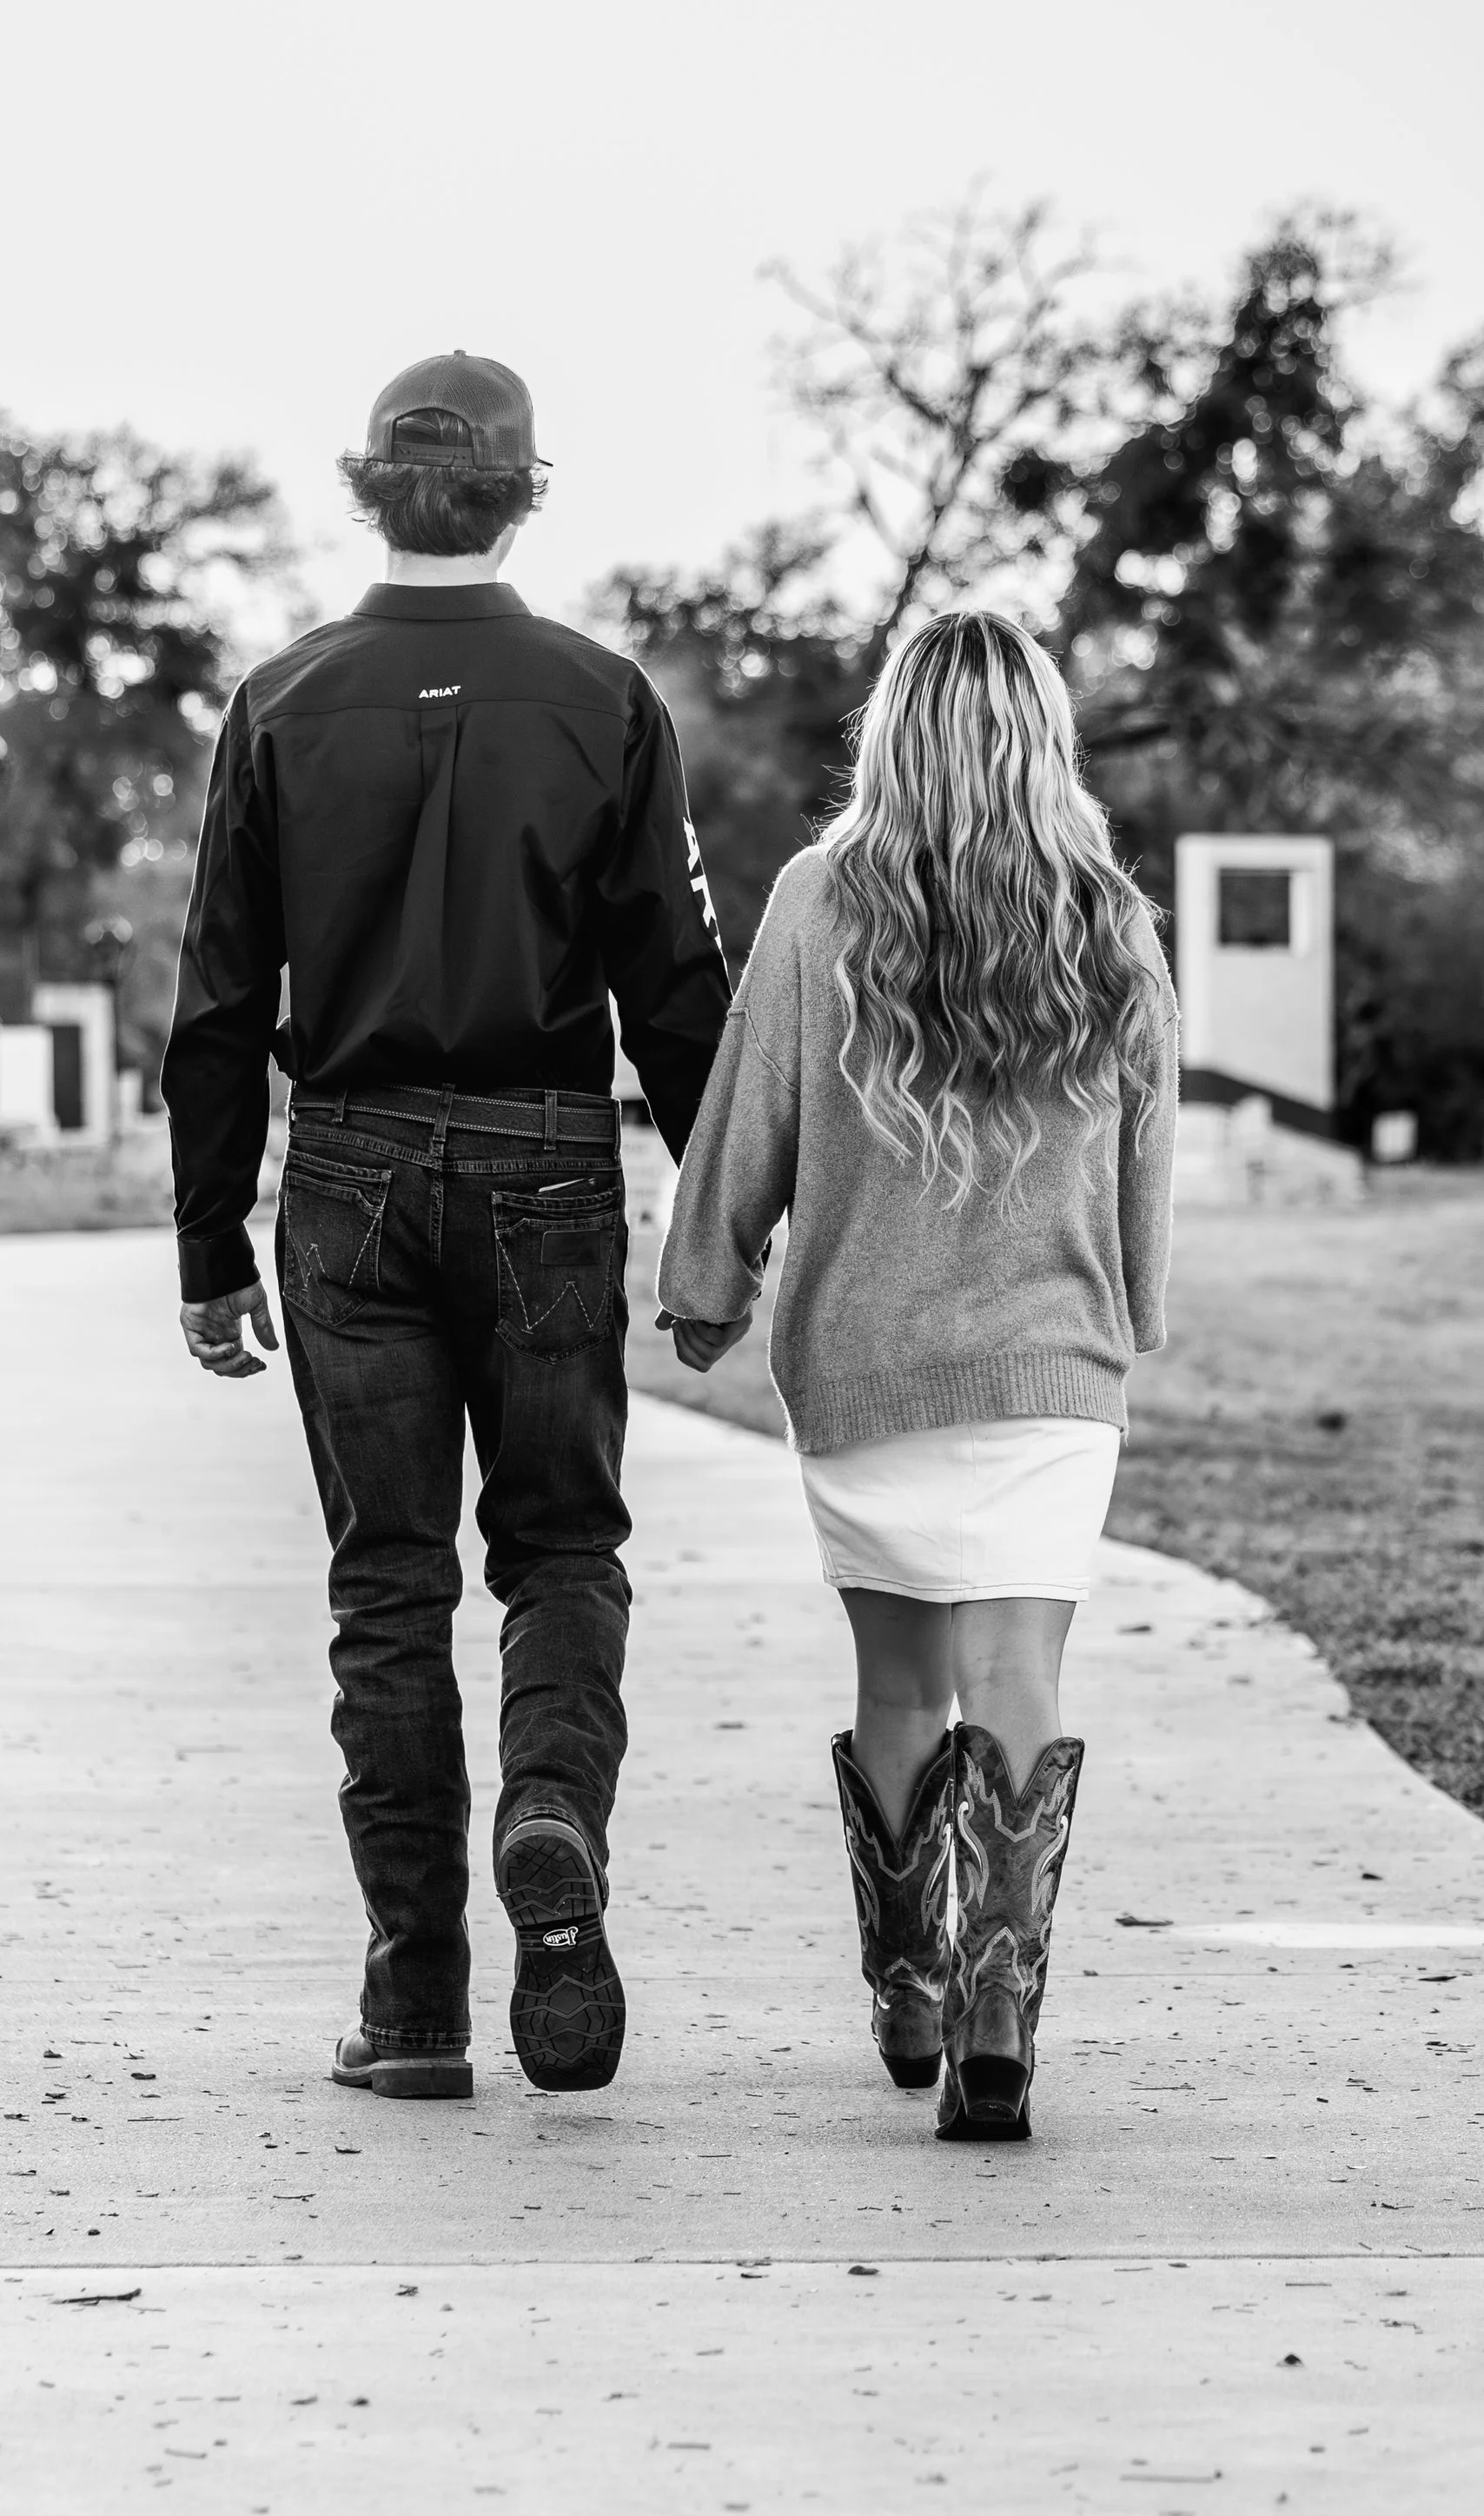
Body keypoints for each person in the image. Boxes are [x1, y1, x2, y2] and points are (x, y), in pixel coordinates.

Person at [162, 351, 732, 2103]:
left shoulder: (277, 700)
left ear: (367, 487)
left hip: (340, 1171)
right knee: (558, 1550)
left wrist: (204, 1248)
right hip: (551, 1162)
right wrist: (725, 1208)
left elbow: (209, 1006)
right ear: (521, 493)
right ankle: (548, 1809)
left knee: (384, 1587)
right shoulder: (601, 701)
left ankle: (412, 1999)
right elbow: (674, 986)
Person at [657, 608, 1177, 2140]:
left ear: (893, 736)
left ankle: (910, 1979)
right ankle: (1003, 2004)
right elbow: (1144, 1151)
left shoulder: (824, 898)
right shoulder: (1110, 916)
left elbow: (750, 1101)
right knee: (1020, 1676)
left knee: (901, 1683)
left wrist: (705, 1284)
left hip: (868, 1365)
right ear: (1042, 740)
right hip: (1051, 1371)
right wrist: (1132, 1308)